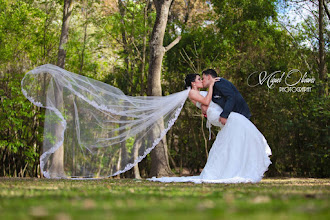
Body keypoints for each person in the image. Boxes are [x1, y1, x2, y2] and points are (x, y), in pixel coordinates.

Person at [149, 71, 272, 183]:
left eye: (202, 78)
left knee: (232, 135)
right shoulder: (192, 92)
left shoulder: (198, 92)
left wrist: (206, 104)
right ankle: (252, 156)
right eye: (199, 79)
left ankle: (239, 164)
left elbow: (206, 104)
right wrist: (211, 86)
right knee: (238, 121)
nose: (201, 81)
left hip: (215, 113)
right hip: (216, 115)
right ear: (193, 83)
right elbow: (206, 102)